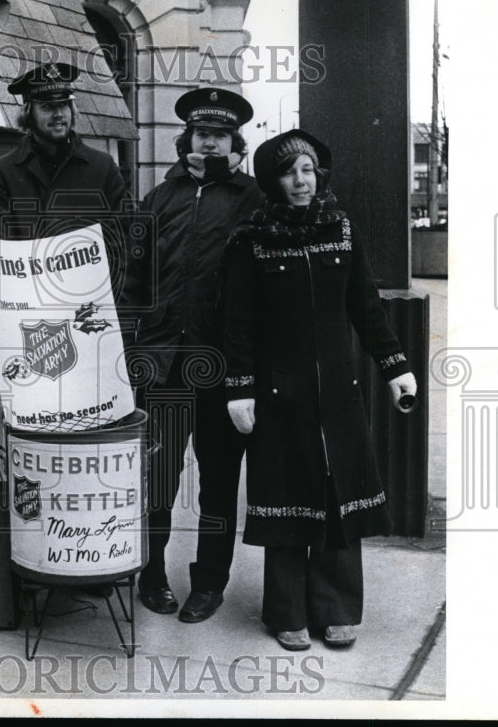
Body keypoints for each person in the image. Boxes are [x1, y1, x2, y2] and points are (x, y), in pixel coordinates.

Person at [219, 128, 417, 651]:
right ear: (273, 180)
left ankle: (336, 609)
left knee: (338, 498)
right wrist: (239, 389)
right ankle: (286, 612)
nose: (301, 181)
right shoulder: (252, 239)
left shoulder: (342, 229)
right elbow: (236, 322)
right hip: (279, 395)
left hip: (338, 392)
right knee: (286, 498)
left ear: (318, 174)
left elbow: (365, 307)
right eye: (290, 172)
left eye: (308, 170)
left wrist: (396, 365)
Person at [120, 86, 265, 623]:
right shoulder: (161, 197)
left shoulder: (252, 199)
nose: (209, 142)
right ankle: (152, 574)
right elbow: (134, 275)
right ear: (188, 138)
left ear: (234, 143)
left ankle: (209, 583)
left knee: (220, 480)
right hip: (162, 364)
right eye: (202, 133)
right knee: (157, 478)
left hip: (222, 366)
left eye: (220, 135)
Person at [0, 62, 127, 291]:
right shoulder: (3, 171)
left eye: (64, 104)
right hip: (29, 302)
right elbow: (0, 252)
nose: (59, 114)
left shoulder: (103, 166)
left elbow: (122, 242)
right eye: (48, 107)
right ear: (29, 113)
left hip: (90, 303)